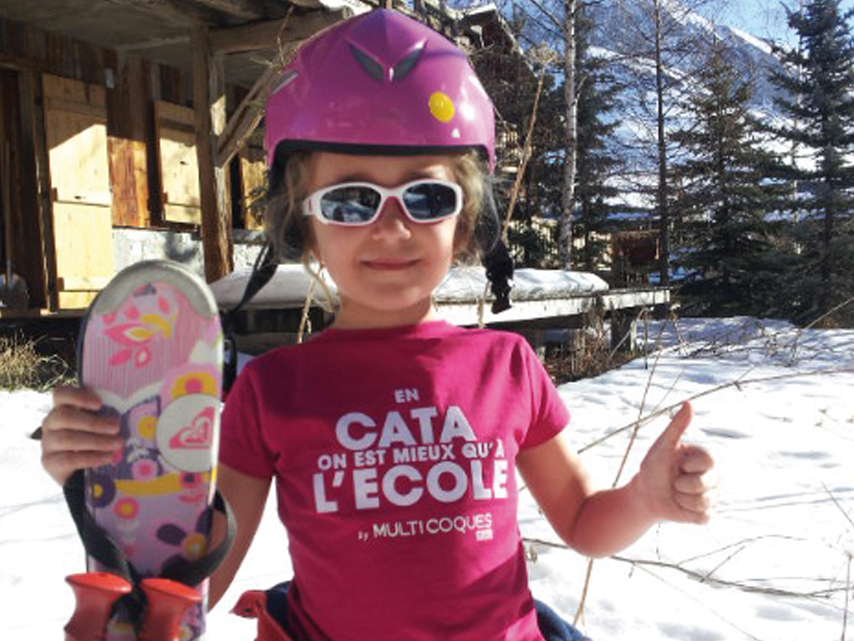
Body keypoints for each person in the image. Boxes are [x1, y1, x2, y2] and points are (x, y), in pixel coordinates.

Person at [39, 9, 715, 641]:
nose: (392, 227)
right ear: (303, 221)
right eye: (351, 200)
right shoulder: (272, 391)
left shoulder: (507, 366)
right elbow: (192, 587)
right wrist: (108, 488)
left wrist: (644, 498)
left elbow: (584, 521)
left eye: (427, 195)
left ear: (467, 219)